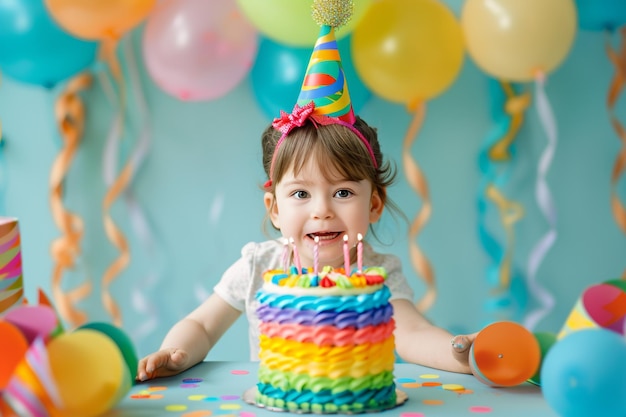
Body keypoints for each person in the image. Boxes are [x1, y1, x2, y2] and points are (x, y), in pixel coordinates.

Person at [136, 3, 477, 382]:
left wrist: (461, 353)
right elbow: (201, 325)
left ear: (375, 204)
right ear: (274, 209)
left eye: (344, 192)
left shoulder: (376, 274)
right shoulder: (259, 268)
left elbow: (413, 335)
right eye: (301, 194)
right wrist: (176, 352)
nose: (322, 210)